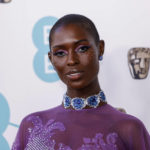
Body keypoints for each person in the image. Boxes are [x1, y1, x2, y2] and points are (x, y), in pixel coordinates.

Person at [12, 14, 150, 150]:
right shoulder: (32, 126)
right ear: (51, 59)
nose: (72, 60)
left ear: (100, 48)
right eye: (60, 53)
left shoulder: (129, 128)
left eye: (82, 48)